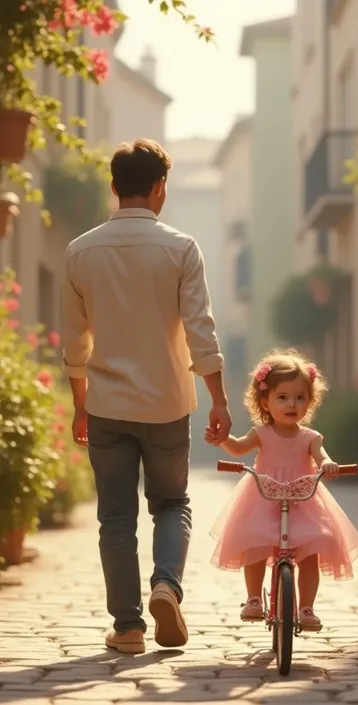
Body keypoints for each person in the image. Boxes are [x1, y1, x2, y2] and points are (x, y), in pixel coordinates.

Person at [61, 139, 232, 655]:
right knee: (172, 503)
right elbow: (201, 329)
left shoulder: (80, 251)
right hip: (166, 403)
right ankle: (166, 586)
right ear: (160, 187)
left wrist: (79, 402)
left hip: (107, 404)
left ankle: (129, 627)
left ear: (113, 187)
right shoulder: (181, 247)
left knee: (115, 516)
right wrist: (219, 399)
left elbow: (74, 341)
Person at [206, 349, 358, 631]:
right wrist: (223, 439)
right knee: (253, 541)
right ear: (265, 402)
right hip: (264, 497)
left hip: (302, 501)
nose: (292, 404)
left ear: (309, 401)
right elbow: (239, 447)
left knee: (310, 550)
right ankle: (254, 598)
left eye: (300, 397)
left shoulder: (309, 437)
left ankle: (306, 608)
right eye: (283, 397)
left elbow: (321, 455)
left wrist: (328, 465)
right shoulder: (261, 434)